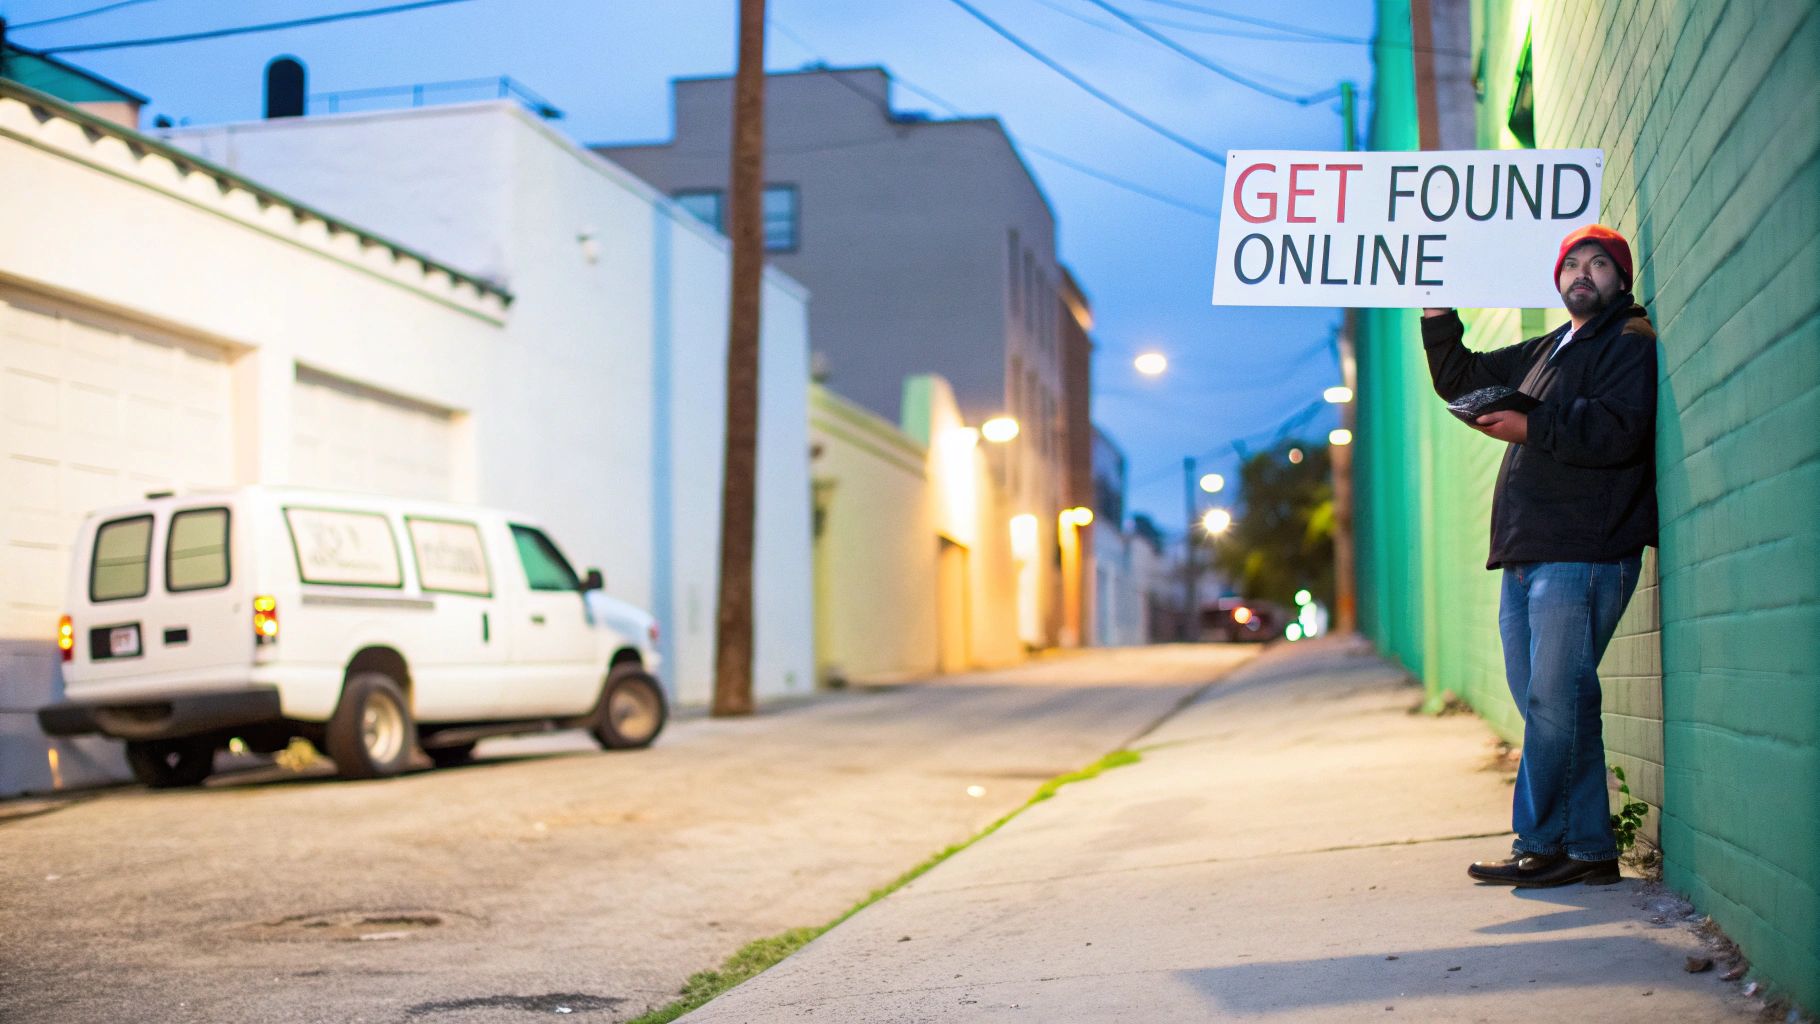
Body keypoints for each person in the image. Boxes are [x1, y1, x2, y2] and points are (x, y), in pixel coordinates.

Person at [1421, 224, 1658, 888]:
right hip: (1529, 553)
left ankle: (1540, 842)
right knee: (1553, 702)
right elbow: (1460, 377)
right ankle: (1588, 849)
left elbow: (1618, 430)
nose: (1583, 273)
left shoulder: (1628, 342)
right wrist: (1437, 309)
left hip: (1585, 551)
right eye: (1572, 264)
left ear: (1621, 280)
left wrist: (1532, 425)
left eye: (1599, 264)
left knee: (1554, 701)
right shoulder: (1553, 346)